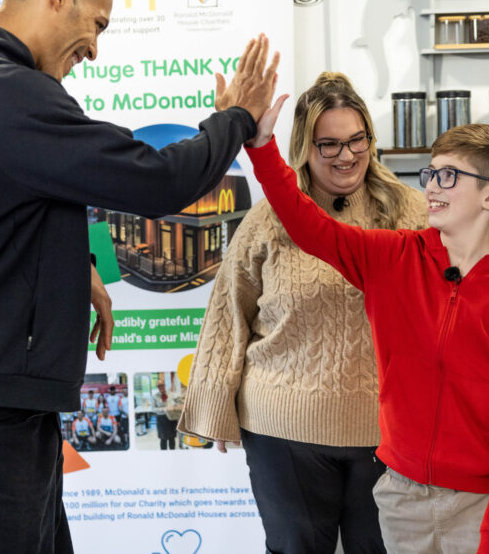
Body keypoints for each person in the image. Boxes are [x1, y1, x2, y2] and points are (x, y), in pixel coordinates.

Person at [0, 0, 280, 554]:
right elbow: (153, 179)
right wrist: (233, 120)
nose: (95, 49)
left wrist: (71, 272)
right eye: (96, 23)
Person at [242, 107, 489, 553]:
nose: (430, 186)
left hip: (481, 506)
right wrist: (261, 147)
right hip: (400, 498)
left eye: (449, 176)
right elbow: (308, 225)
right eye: (431, 173)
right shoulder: (393, 259)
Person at [178, 73, 428, 554]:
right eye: (328, 144)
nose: (346, 156)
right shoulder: (270, 216)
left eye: (357, 141)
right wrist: (213, 404)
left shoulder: (410, 213)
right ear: (304, 147)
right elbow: (229, 309)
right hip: (283, 427)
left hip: (386, 430)